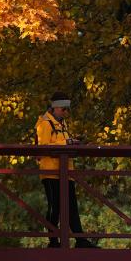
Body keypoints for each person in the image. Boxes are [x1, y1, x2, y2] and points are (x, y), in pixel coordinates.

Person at [35, 91, 95, 248]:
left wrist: (73, 143)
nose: (66, 112)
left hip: (66, 172)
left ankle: (80, 239)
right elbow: (43, 147)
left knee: (71, 206)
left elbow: (62, 142)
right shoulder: (44, 124)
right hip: (51, 172)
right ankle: (53, 241)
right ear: (54, 108)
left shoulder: (62, 124)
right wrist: (66, 143)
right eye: (63, 109)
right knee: (55, 207)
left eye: (67, 109)